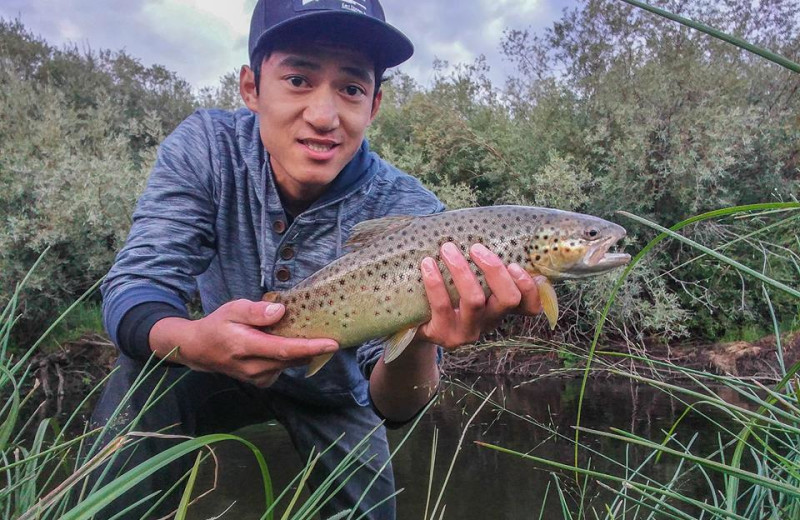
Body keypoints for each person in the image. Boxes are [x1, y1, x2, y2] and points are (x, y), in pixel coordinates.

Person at [89, 0, 545, 518]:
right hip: (206, 362)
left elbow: (396, 407)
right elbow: (136, 287)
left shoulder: (413, 212)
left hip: (334, 392)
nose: (324, 116)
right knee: (143, 374)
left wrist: (422, 334)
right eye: (298, 79)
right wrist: (191, 342)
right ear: (251, 88)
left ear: (373, 105)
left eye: (351, 88)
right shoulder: (207, 148)